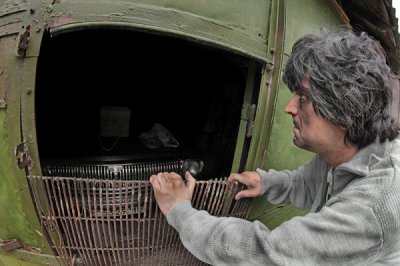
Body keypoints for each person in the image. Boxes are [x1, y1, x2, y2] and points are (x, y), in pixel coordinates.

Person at [150, 28, 400, 265]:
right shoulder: (346, 150)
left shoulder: (374, 206)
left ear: (344, 111)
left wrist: (179, 210)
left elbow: (267, 254)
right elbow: (305, 184)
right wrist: (266, 182)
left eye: (303, 97)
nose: (289, 107)